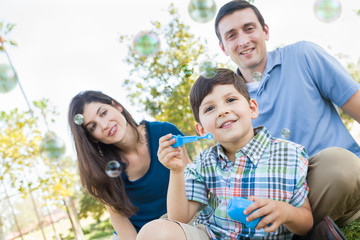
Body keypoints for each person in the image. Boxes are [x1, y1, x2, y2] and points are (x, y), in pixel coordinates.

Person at [214, 0, 360, 226]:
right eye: (231, 35)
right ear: (223, 47)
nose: (243, 41)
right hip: (286, 201)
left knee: (341, 166)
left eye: (249, 28)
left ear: (265, 31)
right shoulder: (228, 102)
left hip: (342, 180)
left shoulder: (303, 55)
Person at [137, 68, 313, 240]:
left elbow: (306, 222)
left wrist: (286, 212)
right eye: (209, 109)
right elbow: (178, 219)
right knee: (153, 232)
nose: (222, 111)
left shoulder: (290, 154)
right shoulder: (203, 163)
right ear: (201, 129)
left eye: (230, 99)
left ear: (252, 108)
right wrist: (176, 171)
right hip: (213, 236)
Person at [68, 90, 188, 240]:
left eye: (103, 113)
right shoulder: (102, 168)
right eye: (93, 127)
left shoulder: (165, 134)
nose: (104, 125)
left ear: (117, 106)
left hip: (175, 226)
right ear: (93, 139)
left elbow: (192, 183)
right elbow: (118, 218)